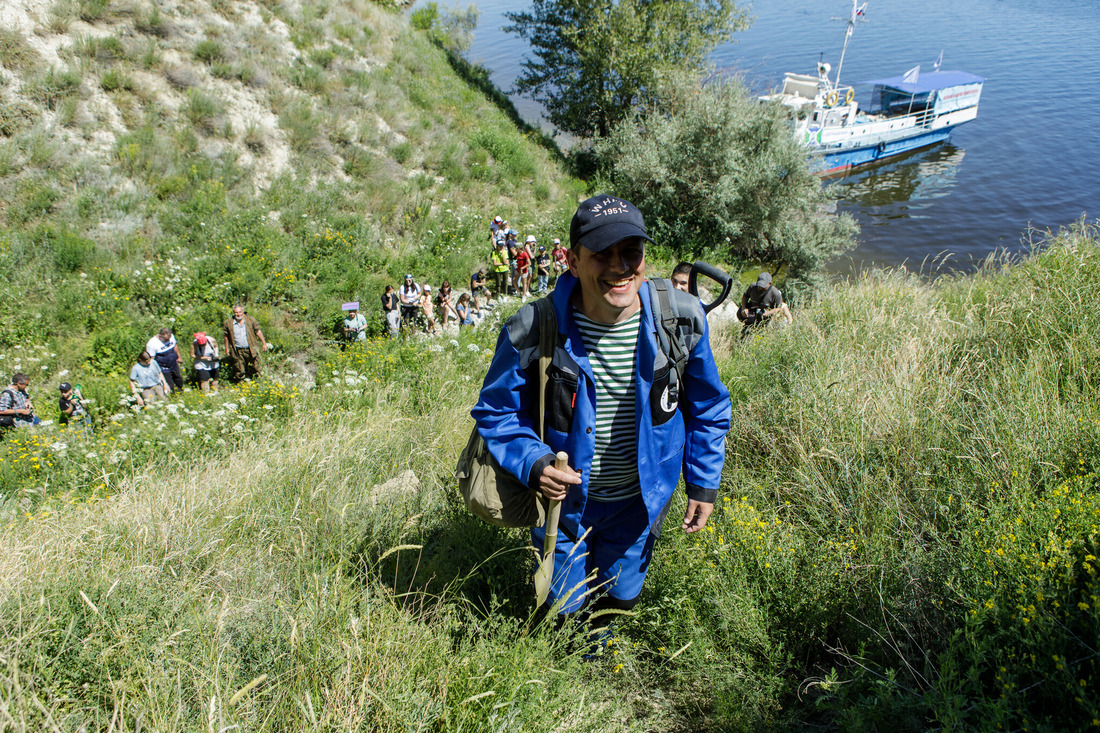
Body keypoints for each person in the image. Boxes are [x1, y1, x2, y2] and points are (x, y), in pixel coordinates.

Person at [472, 194, 731, 642]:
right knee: (563, 605)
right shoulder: (535, 327)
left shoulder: (680, 320)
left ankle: (599, 651)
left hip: (640, 503)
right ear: (572, 261)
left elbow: (708, 406)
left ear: (645, 258)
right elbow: (495, 411)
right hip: (563, 508)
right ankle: (568, 667)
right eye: (602, 254)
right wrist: (534, 463)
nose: (619, 266)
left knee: (621, 595)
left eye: (630, 251)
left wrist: (703, 482)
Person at [739, 271, 793, 338]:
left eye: (763, 286)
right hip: (751, 313)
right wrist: (744, 308)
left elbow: (779, 308)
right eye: (759, 284)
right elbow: (745, 296)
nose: (760, 287)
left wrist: (769, 313)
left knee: (760, 335)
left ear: (770, 283)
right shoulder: (753, 287)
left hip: (764, 317)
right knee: (745, 332)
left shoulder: (775, 293)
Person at [222, 306, 269, 382]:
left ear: (243, 312)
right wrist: (227, 348)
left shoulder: (250, 320)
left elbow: (258, 331)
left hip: (251, 348)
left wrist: (264, 343)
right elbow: (226, 336)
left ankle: (258, 381)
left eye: (240, 312)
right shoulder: (229, 323)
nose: (238, 314)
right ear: (234, 313)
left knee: (257, 366)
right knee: (239, 368)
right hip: (237, 350)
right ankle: (240, 384)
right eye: (236, 312)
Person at [146, 327, 184, 393]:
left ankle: (180, 392)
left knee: (178, 379)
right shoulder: (152, 344)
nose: (168, 340)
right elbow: (152, 359)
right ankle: (172, 396)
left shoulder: (171, 337)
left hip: (173, 363)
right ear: (160, 335)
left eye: (169, 338)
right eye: (166, 339)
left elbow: (175, 346)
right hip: (163, 367)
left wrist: (179, 357)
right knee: (169, 383)